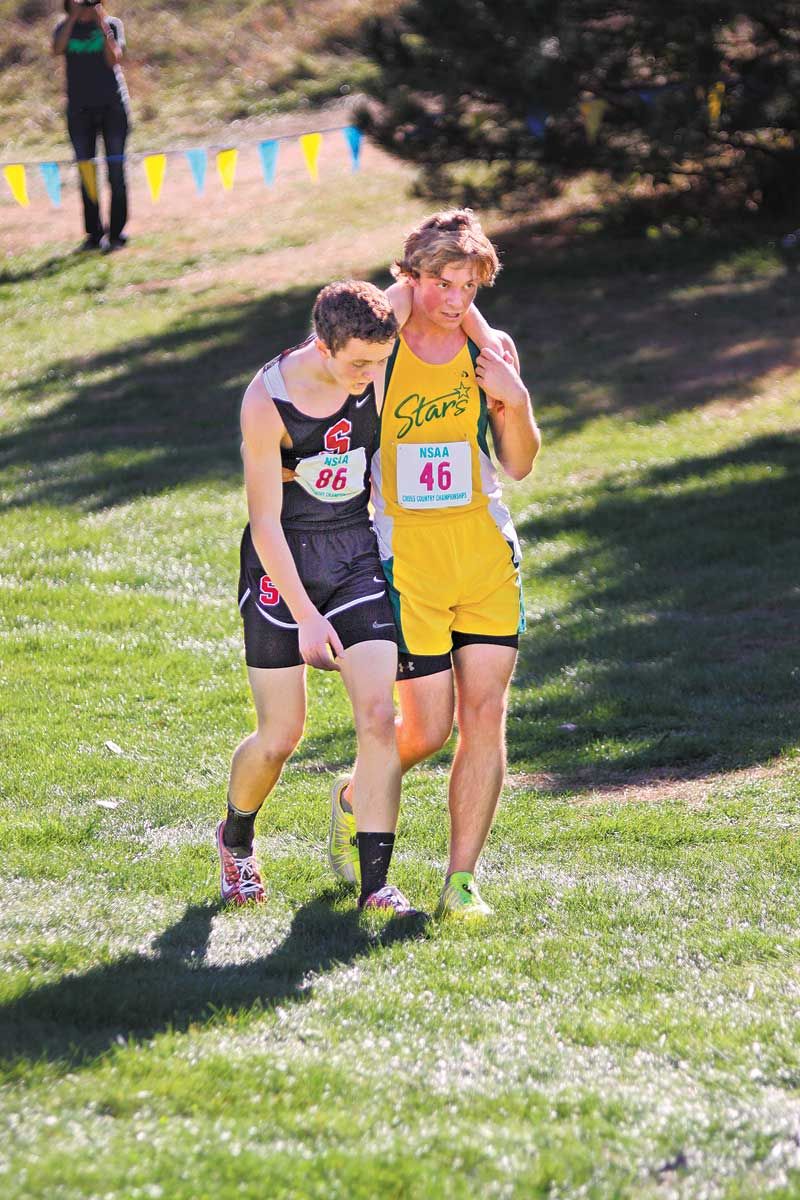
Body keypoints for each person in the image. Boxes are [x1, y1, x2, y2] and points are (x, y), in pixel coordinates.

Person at [329, 209, 541, 920]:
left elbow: (520, 463)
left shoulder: (491, 351)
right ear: (411, 278)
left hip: (484, 555)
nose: (455, 301)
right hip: (405, 563)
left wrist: (517, 403)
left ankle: (462, 880)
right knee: (428, 729)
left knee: (486, 715)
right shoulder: (377, 349)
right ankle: (359, 792)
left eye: (470, 287)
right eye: (441, 283)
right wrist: (401, 293)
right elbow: (342, 334)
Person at [218, 280, 421, 916]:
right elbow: (265, 523)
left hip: (354, 552)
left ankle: (375, 887)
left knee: (379, 718)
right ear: (324, 345)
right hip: (284, 561)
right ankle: (236, 837)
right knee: (281, 736)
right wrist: (305, 618)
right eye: (359, 363)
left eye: (380, 362)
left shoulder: (372, 357)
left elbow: (423, 286)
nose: (370, 376)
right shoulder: (267, 399)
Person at [53, 1, 131, 253]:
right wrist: (74, 17)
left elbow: (114, 58)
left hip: (113, 108)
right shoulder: (64, 27)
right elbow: (57, 49)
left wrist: (100, 23)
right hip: (79, 110)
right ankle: (94, 234)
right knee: (86, 172)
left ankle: (117, 234)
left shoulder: (111, 25)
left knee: (116, 173)